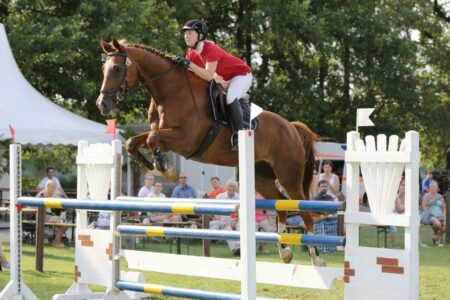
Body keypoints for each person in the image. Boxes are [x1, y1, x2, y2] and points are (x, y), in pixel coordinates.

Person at [178, 19, 253, 150]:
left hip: (241, 75)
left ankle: (240, 135)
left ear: (200, 36)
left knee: (230, 98)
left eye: (190, 33)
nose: (186, 36)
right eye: (185, 33)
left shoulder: (210, 49)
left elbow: (207, 75)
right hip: (223, 77)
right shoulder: (191, 52)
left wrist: (189, 65)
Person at [211, 179, 240, 255]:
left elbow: (240, 212)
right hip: (222, 219)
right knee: (227, 228)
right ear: (226, 187)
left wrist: (236, 220)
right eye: (230, 186)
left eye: (233, 186)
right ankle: (235, 249)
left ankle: (240, 246)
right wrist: (222, 221)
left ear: (236, 188)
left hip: (234, 219)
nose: (231, 188)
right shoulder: (220, 197)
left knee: (241, 225)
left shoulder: (239, 197)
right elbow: (215, 213)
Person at [36, 180, 68, 248]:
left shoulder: (51, 194)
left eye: (54, 187)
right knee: (64, 224)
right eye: (51, 187)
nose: (53, 189)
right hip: (42, 215)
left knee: (65, 224)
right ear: (47, 186)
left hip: (48, 215)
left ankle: (56, 241)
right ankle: (56, 242)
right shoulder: (44, 194)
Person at [421, 180, 446, 246]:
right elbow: (424, 207)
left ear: (437, 188)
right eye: (432, 187)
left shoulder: (440, 196)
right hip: (431, 216)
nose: (433, 188)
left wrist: (443, 215)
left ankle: (436, 236)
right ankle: (437, 238)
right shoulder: (426, 196)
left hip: (440, 215)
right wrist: (433, 215)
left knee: (447, 225)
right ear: (429, 187)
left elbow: (444, 208)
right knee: (438, 224)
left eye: (435, 187)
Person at [390, 180, 406, 248]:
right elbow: (399, 209)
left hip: (401, 217)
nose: (404, 187)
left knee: (414, 223)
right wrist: (407, 207)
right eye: (403, 185)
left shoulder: (408, 197)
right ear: (399, 186)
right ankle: (393, 245)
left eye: (406, 186)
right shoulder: (395, 196)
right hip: (393, 218)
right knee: (393, 228)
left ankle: (418, 243)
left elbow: (401, 210)